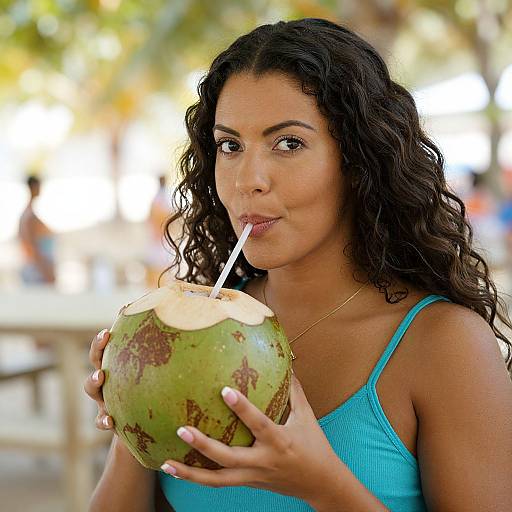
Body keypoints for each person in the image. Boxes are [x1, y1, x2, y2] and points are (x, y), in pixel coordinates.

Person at [85, 18, 512, 511]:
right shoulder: (197, 329)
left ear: (358, 160)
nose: (249, 179)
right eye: (230, 145)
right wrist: (137, 416)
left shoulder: (444, 343)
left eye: (288, 143)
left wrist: (320, 482)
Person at [18, 175, 56, 285]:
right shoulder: (29, 217)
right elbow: (32, 246)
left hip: (38, 268)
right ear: (33, 187)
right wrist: (46, 270)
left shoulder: (28, 214)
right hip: (37, 270)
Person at [145, 174, 175, 288]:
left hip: (162, 237)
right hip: (158, 238)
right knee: (157, 265)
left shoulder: (163, 197)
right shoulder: (159, 199)